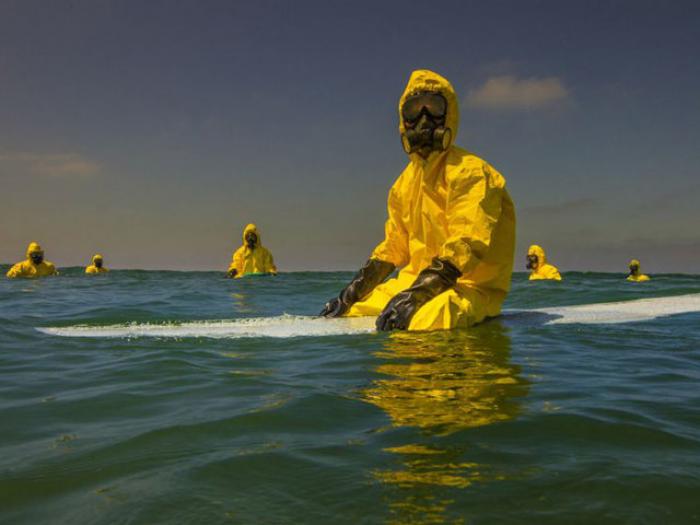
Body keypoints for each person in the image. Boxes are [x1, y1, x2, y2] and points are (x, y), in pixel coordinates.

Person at [321, 69, 515, 331]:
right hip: (414, 283)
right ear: (404, 120)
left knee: (422, 321)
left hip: (468, 287)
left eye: (434, 108)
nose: (425, 120)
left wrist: (420, 294)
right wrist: (351, 294)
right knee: (351, 314)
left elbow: (468, 240)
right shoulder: (403, 184)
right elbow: (395, 246)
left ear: (449, 116)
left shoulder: (470, 172)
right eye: (415, 111)